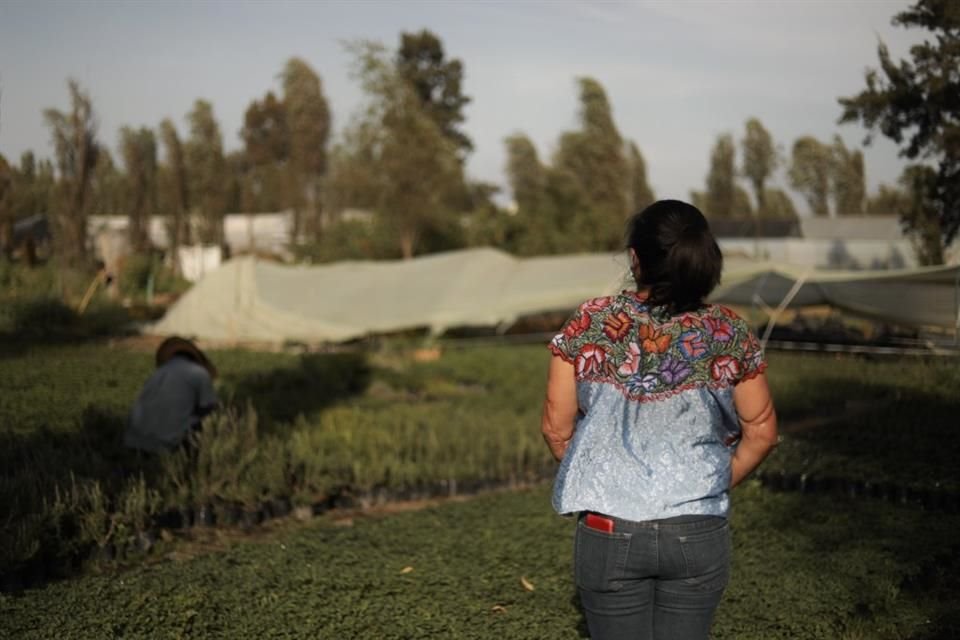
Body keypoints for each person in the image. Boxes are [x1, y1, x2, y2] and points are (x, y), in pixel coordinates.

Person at [541, 200, 779, 640]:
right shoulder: (728, 332)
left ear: (635, 258)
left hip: (608, 527)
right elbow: (762, 432)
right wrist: (708, 482)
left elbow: (556, 428)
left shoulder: (590, 322)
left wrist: (600, 476)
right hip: (697, 526)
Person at [124, 336, 218, 454]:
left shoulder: (158, 373)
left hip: (135, 441)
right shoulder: (199, 372)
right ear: (195, 358)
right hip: (169, 443)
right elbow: (208, 407)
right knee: (206, 419)